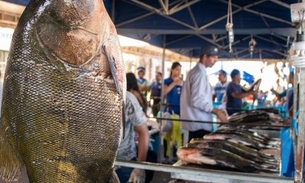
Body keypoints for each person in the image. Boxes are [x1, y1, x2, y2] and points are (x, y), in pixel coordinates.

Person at [180, 45, 228, 142]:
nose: (216, 60)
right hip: (198, 124)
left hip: (197, 122)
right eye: (213, 57)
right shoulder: (199, 73)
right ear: (205, 57)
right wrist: (216, 111)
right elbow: (197, 100)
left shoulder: (198, 72)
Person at [115, 73, 150, 183]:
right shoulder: (90, 96)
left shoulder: (127, 98)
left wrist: (139, 166)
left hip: (124, 163)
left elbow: (143, 132)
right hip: (97, 164)